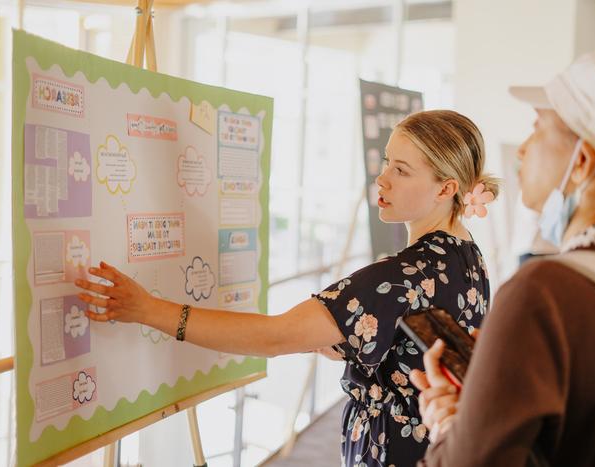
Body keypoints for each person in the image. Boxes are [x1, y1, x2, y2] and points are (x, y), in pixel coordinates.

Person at [74, 110, 499, 466]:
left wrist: (147, 309)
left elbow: (276, 336)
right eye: (387, 162)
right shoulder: (466, 256)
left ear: (446, 188)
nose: (382, 179)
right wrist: (347, 343)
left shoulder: (399, 277)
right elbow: (415, 349)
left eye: (401, 171)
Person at [410, 51, 595, 466]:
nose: (523, 150)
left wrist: (449, 432)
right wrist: (481, 412)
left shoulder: (542, 292)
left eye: (537, 128)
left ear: (581, 162)